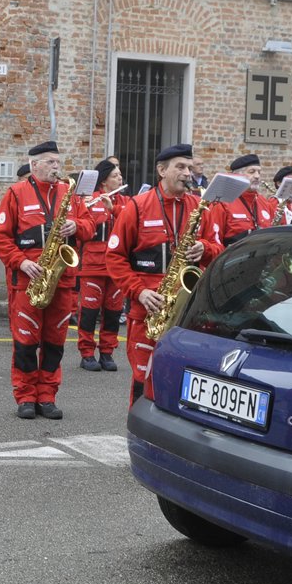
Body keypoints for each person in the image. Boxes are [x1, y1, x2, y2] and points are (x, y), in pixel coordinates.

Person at [104, 143, 220, 406]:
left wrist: (206, 248)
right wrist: (139, 291)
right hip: (149, 307)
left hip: (187, 309)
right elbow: (115, 257)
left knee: (182, 380)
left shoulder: (199, 206)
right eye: (180, 167)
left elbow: (218, 248)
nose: (187, 173)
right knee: (143, 376)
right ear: (161, 170)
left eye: (190, 167)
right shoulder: (137, 206)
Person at [0, 140, 95, 420]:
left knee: (54, 342)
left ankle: (47, 396)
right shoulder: (15, 193)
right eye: (50, 162)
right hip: (28, 280)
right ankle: (25, 396)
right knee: (25, 341)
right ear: (34, 164)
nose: (56, 167)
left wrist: (78, 225)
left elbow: (90, 226)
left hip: (61, 280)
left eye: (57, 162)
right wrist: (22, 262)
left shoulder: (69, 194)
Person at [77, 158, 127, 372]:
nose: (120, 178)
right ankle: (87, 353)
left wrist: (113, 208)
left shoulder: (125, 202)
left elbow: (130, 226)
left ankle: (107, 352)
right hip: (93, 265)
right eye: (115, 176)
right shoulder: (90, 200)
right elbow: (84, 230)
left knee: (113, 312)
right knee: (89, 312)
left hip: (116, 267)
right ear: (104, 181)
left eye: (120, 175)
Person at [201, 153, 281, 248]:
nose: (257, 176)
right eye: (252, 172)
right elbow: (214, 242)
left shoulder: (263, 202)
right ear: (237, 175)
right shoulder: (222, 202)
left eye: (259, 172)